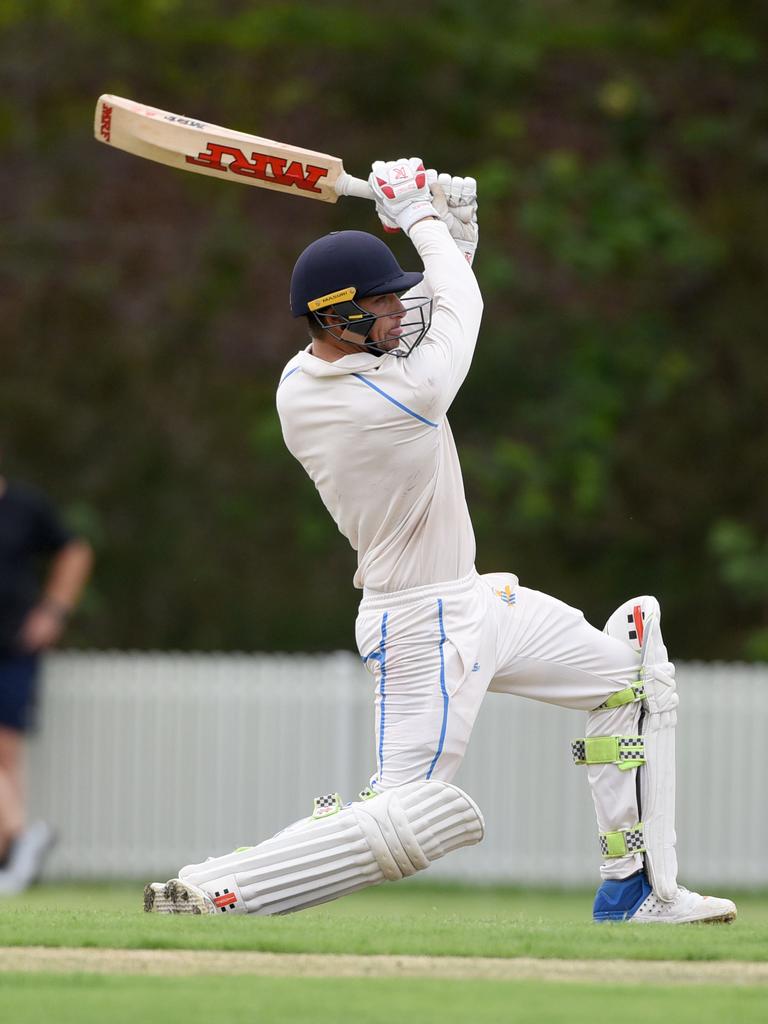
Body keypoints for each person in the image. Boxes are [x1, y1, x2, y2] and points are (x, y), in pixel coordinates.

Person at [145, 160, 735, 923]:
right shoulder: (383, 396)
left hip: (473, 598)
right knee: (407, 810)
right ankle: (219, 892)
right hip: (420, 623)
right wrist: (421, 220)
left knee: (628, 680)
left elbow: (441, 296)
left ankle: (635, 888)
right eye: (382, 302)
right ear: (336, 317)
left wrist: (450, 226)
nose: (398, 313)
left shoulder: (331, 361)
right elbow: (463, 305)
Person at [0, 468, 93, 893]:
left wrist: (54, 610)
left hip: (14, 645)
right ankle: (19, 847)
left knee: (6, 750)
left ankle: (16, 847)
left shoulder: (24, 505)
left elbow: (74, 549)